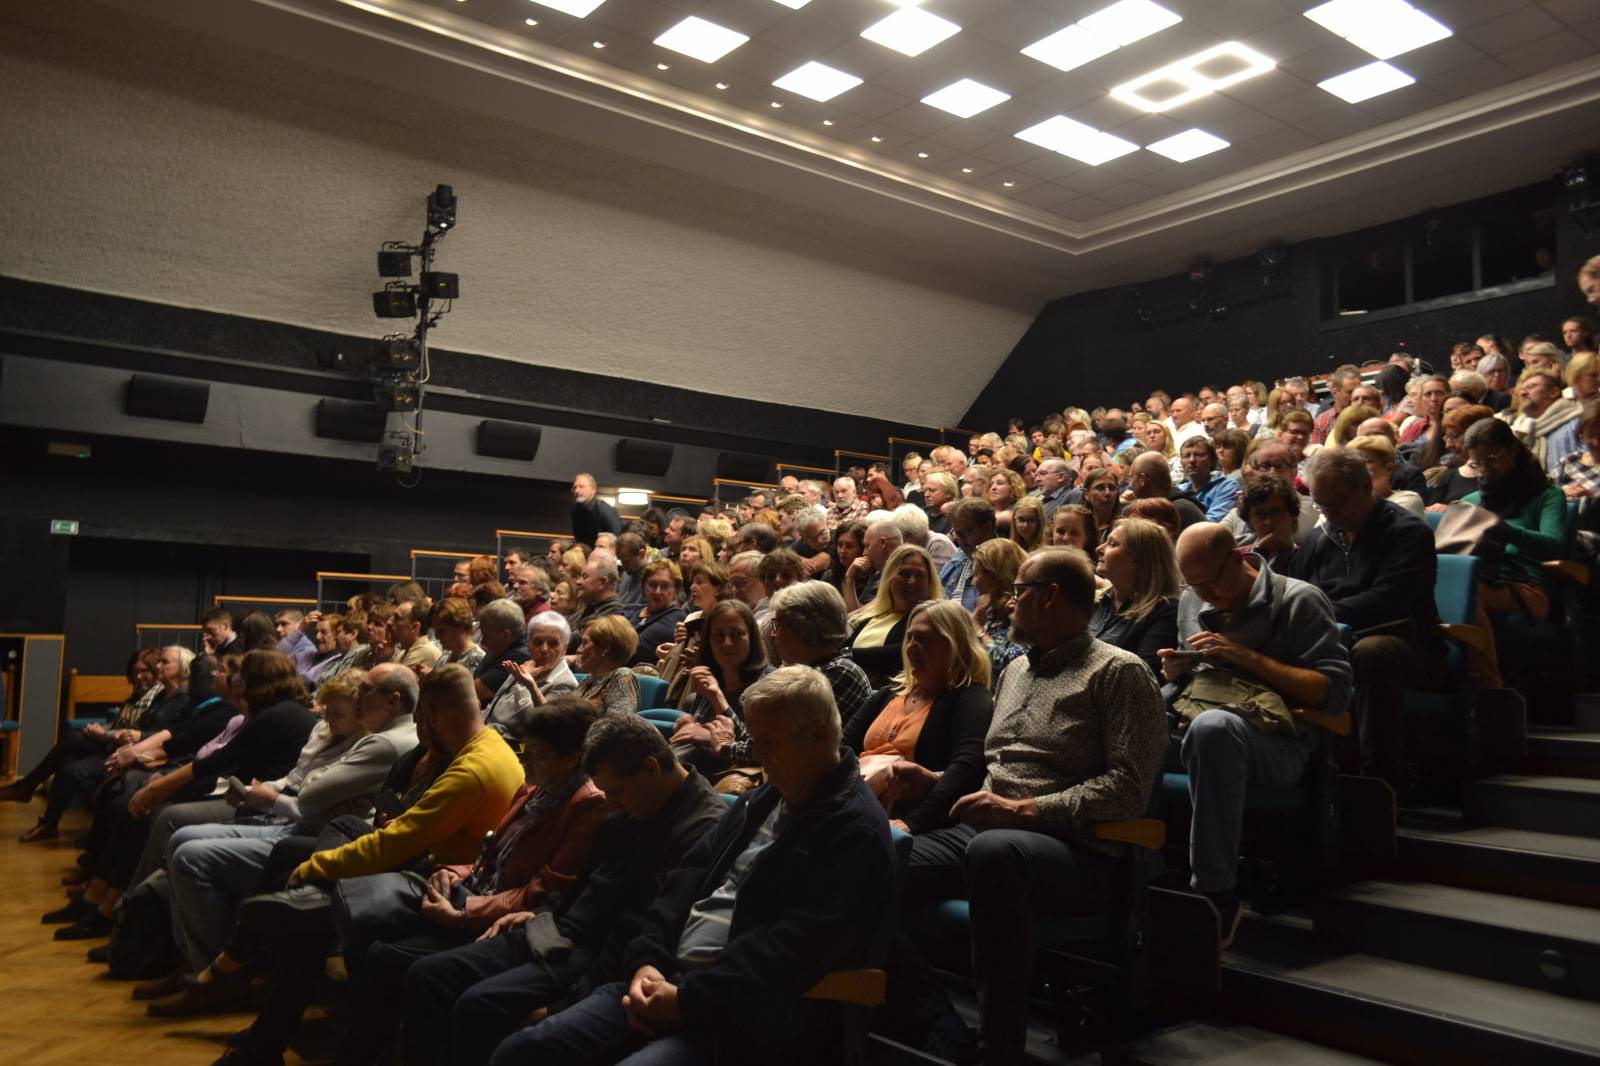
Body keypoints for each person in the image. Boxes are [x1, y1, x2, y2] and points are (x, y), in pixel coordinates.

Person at [485, 666, 894, 1066]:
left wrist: (686, 1000)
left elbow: (790, 951)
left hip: (738, 1016)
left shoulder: (853, 830)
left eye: (768, 742)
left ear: (819, 735)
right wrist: (647, 960)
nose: (755, 754)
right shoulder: (767, 796)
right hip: (665, 979)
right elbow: (685, 884)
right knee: (518, 1051)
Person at [897, 548, 1166, 1066]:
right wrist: (930, 780)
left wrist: (1025, 812)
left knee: (996, 852)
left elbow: (1129, 789)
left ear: (1049, 596)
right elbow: (998, 768)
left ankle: (999, 1050)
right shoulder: (1016, 669)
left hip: (1079, 851)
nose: (1006, 603)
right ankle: (935, 1023)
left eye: (1018, 593)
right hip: (990, 833)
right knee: (879, 856)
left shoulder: (1118, 673)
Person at [217, 665, 527, 1066]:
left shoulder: (471, 771)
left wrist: (318, 866)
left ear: (429, 715)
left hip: (433, 883)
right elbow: (408, 826)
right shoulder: (489, 747)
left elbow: (391, 847)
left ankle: (260, 1045)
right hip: (426, 864)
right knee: (340, 834)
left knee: (308, 915)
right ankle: (265, 1038)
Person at [401, 715, 727, 1066]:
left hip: (594, 956)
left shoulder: (701, 828)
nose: (612, 804)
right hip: (558, 930)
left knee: (479, 1005)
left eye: (616, 791)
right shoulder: (632, 808)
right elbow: (585, 886)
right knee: (429, 975)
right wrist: (541, 913)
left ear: (650, 768)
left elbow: (636, 933)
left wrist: (563, 1004)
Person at [328, 697, 611, 1065]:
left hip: (501, 919)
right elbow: (492, 856)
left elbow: (546, 889)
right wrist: (456, 871)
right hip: (471, 893)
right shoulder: (537, 786)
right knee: (366, 930)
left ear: (573, 757)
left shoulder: (587, 803)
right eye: (526, 750)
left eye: (538, 753)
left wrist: (463, 914)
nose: (524, 760)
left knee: (386, 957)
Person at [150, 666, 421, 1014]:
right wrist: (263, 793)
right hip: (303, 822)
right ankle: (198, 963)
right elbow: (301, 782)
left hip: (314, 831)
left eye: (364, 692)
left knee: (189, 853)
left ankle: (219, 977)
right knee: (182, 839)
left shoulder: (382, 740)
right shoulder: (337, 731)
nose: (356, 700)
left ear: (393, 700)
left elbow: (309, 797)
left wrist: (277, 794)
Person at [1163, 524, 1352, 945]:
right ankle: (1134, 876)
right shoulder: (1193, 597)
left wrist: (1246, 658)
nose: (1203, 594)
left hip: (1278, 743)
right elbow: (1200, 675)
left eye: (1210, 582)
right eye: (1192, 584)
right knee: (1129, 716)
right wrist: (1178, 669)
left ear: (1237, 557)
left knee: (1214, 728)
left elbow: (1333, 693)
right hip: (1201, 719)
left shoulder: (1297, 598)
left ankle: (1217, 894)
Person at [1286, 448, 1445, 789]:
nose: (1328, 513)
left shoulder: (1407, 532)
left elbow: (1389, 600)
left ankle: (1377, 781)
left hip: (1407, 644)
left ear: (1364, 487)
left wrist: (1317, 612)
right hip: (1333, 643)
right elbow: (1296, 591)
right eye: (1321, 505)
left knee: (1372, 652)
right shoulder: (1320, 537)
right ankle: (1306, 777)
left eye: (1337, 503)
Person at [844, 599, 993, 834]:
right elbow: (843, 746)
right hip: (855, 803)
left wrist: (914, 822)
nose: (911, 647)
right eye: (910, 637)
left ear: (955, 646)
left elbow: (966, 769)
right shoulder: (888, 694)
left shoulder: (970, 698)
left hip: (908, 816)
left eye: (923, 639)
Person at [1459, 417, 1570, 687]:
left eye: (1492, 458)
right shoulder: (1471, 502)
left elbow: (1554, 543)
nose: (1485, 469)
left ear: (1513, 450)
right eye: (1477, 463)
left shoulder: (1547, 495)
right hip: (1483, 575)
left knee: (1465, 592)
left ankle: (1488, 688)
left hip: (1527, 585)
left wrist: (1505, 531)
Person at [668, 600, 773, 780]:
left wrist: (717, 701)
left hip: (726, 776)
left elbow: (762, 749)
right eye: (718, 635)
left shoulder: (768, 683)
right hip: (692, 768)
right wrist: (687, 725)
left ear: (751, 638)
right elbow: (696, 731)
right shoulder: (709, 674)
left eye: (736, 634)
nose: (727, 643)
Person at [766, 581, 875, 732]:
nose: (773, 634)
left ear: (804, 628)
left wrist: (722, 705)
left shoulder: (840, 673)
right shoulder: (803, 669)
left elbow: (777, 743)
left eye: (777, 625)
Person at [1091, 518, 1180, 678]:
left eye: (1112, 544)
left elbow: (1143, 676)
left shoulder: (1165, 611)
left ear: (1137, 560)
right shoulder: (1100, 601)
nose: (1099, 548)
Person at [848, 544, 941, 682]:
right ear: (889, 577)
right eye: (904, 574)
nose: (912, 581)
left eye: (920, 575)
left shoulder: (931, 618)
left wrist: (846, 655)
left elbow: (899, 654)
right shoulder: (870, 613)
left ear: (929, 582)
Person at [486, 612, 580, 727]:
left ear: (565, 649)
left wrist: (524, 682)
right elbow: (493, 706)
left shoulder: (565, 683)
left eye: (553, 643)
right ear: (529, 645)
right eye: (538, 642)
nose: (544, 649)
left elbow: (534, 724)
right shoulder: (527, 665)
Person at [1221, 442, 1319, 546]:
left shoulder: (1314, 512)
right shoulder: (1235, 515)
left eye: (1280, 466)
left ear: (1294, 471)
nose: (1272, 472)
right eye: (1264, 466)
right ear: (1252, 472)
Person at [970, 538, 1029, 688]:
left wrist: (978, 629)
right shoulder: (990, 608)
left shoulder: (1021, 609)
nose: (973, 582)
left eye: (977, 574)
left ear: (995, 577)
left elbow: (1007, 663)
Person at [1511, 367, 1582, 477]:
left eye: (1531, 387)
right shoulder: (1520, 432)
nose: (1523, 393)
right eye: (1522, 389)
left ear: (1553, 392)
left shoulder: (1577, 423)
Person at [573, 615, 643, 716]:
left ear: (605, 648)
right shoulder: (589, 679)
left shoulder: (623, 677)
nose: (579, 650)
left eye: (585, 643)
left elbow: (617, 724)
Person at [940, 498, 997, 612]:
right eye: (957, 533)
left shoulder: (1003, 564)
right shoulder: (957, 559)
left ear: (987, 528)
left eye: (966, 532)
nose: (961, 540)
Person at [1346, 434, 1426, 517]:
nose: (1357, 467)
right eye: (1353, 462)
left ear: (1389, 469)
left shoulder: (1408, 500)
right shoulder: (1346, 503)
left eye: (1366, 461)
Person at [1235, 473, 1301, 568]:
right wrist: (1259, 552)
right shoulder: (1238, 559)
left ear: (1291, 514)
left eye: (1276, 512)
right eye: (1260, 515)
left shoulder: (1305, 559)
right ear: (1249, 520)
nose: (1268, 522)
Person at [472, 599, 531, 706]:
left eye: (486, 636)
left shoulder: (520, 657)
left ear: (506, 635)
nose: (483, 642)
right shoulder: (501, 645)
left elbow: (473, 692)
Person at [630, 559, 687, 666]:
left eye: (665, 586)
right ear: (643, 586)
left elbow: (633, 649)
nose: (657, 592)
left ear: (676, 590)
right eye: (652, 585)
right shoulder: (630, 609)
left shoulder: (675, 617)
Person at [1128, 452, 1205, 529]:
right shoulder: (1171, 506)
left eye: (1131, 478)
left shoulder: (1175, 511)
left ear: (1142, 479)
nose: (1130, 485)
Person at [567, 556, 627, 654]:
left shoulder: (613, 616)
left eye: (585, 577)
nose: (578, 581)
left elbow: (568, 642)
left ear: (603, 582)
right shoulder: (589, 608)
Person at [841, 519, 902, 613]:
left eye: (867, 546)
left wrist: (849, 579)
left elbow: (856, 617)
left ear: (883, 543)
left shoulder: (899, 574)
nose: (864, 553)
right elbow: (859, 614)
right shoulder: (879, 574)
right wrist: (849, 579)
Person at [1178, 436, 1240, 522]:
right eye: (1187, 455)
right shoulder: (1180, 489)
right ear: (1181, 462)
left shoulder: (1226, 485)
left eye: (1199, 455)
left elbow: (1212, 522)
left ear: (1212, 460)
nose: (1192, 460)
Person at [430, 597, 484, 675]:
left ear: (460, 626)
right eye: (436, 631)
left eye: (442, 631)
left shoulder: (476, 660)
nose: (437, 636)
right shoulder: (446, 655)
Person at [571, 473, 623, 549]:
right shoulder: (575, 510)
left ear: (593, 489)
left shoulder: (604, 509)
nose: (577, 490)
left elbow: (617, 537)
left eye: (581, 487)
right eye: (574, 487)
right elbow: (579, 539)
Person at [274, 610, 318, 676]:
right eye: (277, 625)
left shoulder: (307, 650)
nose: (278, 629)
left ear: (299, 625)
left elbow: (299, 681)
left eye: (284, 624)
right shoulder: (278, 645)